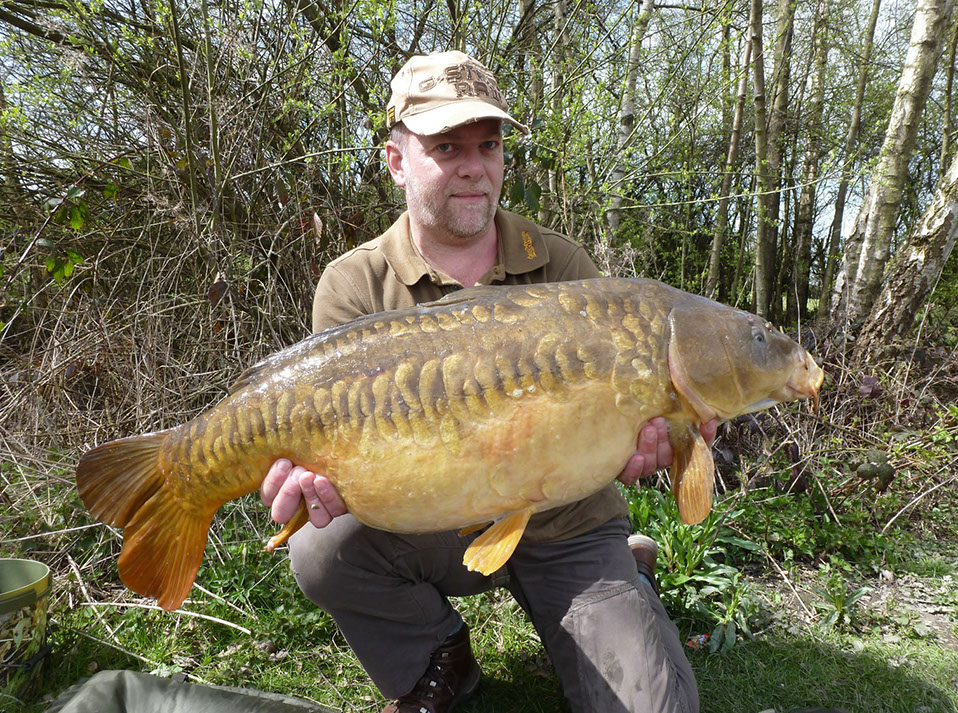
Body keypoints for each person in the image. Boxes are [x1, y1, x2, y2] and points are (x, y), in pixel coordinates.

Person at [261, 51, 715, 713]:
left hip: (566, 521)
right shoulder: (355, 284)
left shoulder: (563, 265)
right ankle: (436, 660)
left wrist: (651, 441)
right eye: (447, 146)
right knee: (321, 545)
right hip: (431, 519)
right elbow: (340, 447)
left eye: (490, 144)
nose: (475, 165)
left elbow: (632, 422)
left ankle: (626, 575)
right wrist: (317, 474)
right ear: (396, 161)